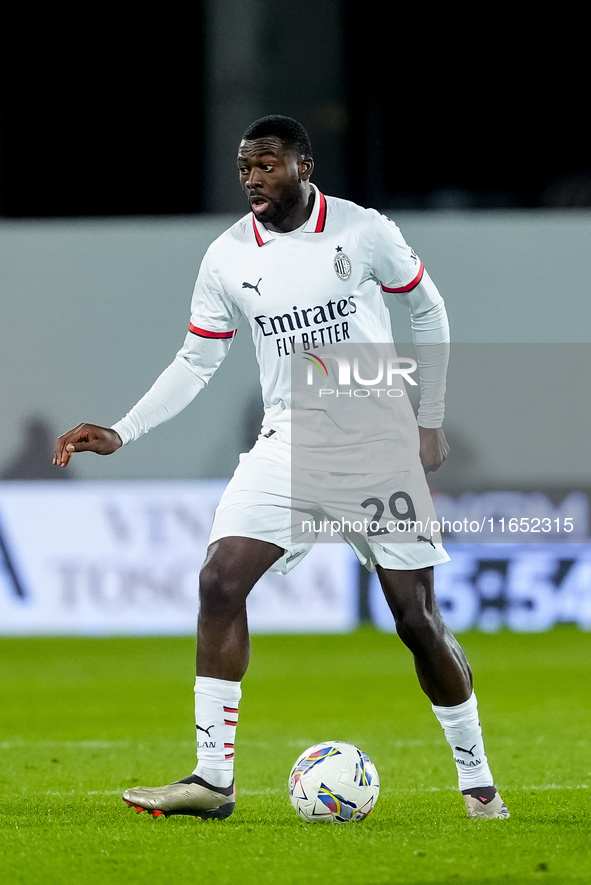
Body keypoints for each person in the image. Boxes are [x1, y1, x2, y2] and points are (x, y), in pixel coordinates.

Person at [54, 115, 509, 821]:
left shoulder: (362, 231)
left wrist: (428, 419)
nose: (253, 180)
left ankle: (477, 782)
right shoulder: (228, 256)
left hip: (375, 443)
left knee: (414, 618)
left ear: (303, 165)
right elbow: (196, 358)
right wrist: (123, 429)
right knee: (218, 578)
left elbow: (427, 307)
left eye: (266, 165)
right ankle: (212, 780)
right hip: (287, 442)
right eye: (243, 169)